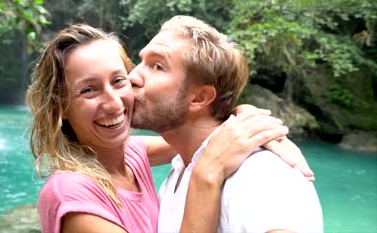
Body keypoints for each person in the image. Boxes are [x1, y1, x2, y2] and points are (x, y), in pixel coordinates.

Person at [26, 24, 312, 233]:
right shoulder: (71, 193)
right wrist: (206, 175)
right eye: (88, 90)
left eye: (118, 80)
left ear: (200, 97)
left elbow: (206, 134)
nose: (133, 79)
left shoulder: (260, 178)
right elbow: (204, 142)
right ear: (61, 106)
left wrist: (251, 119)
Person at [129, 15, 323, 232]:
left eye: (157, 66)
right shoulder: (179, 170)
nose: (132, 76)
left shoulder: (260, 173)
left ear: (200, 98)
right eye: (141, 62)